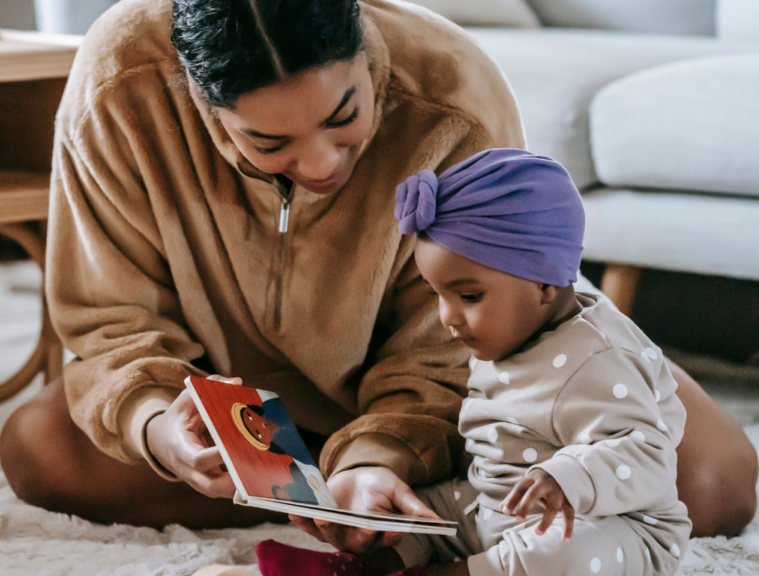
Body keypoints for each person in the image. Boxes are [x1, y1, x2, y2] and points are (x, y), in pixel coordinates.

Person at [0, 0, 757, 547]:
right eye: (268, 142)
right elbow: (110, 320)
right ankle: (390, 511)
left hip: (460, 393)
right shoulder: (119, 82)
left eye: (343, 117)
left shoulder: (452, 88)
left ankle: (389, 497)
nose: (321, 164)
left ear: (363, 41)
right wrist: (160, 426)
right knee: (40, 448)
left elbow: (456, 344)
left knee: (713, 482)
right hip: (237, 393)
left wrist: (378, 455)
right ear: (201, 100)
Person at [245, 149, 691, 576]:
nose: (447, 317)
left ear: (544, 283)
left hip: (602, 523)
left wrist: (568, 476)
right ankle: (359, 569)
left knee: (558, 555)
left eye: (469, 296)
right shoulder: (509, 330)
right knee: (415, 511)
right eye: (437, 294)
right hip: (493, 504)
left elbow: (650, 455)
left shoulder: (600, 359)